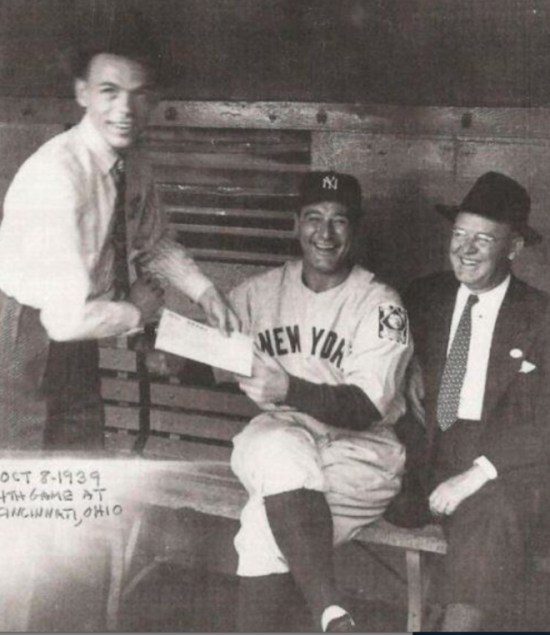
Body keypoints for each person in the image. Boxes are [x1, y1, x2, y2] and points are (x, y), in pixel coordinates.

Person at [0, 19, 238, 451]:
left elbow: (154, 239)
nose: (125, 109)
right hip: (24, 333)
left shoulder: (133, 163)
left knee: (81, 451)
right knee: (26, 465)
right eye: (109, 91)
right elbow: (63, 319)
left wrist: (205, 292)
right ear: (82, 93)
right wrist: (134, 311)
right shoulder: (59, 177)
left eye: (138, 93)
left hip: (78, 326)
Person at [228, 171, 412, 632]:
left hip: (360, 449)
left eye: (339, 221)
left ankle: (326, 614)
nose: (324, 234)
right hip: (283, 434)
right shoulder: (258, 292)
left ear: (356, 229)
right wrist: (169, 353)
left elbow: (364, 408)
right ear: (296, 224)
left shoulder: (379, 304)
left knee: (263, 527)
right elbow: (209, 355)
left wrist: (288, 389)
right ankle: (332, 614)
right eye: (313, 218)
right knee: (276, 447)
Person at [400, 171, 550, 631]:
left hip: (501, 465)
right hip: (425, 457)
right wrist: (405, 366)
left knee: (491, 516)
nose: (464, 250)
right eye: (459, 235)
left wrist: (478, 473)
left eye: (482, 240)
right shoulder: (423, 297)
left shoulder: (540, 316)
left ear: (513, 248)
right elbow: (378, 348)